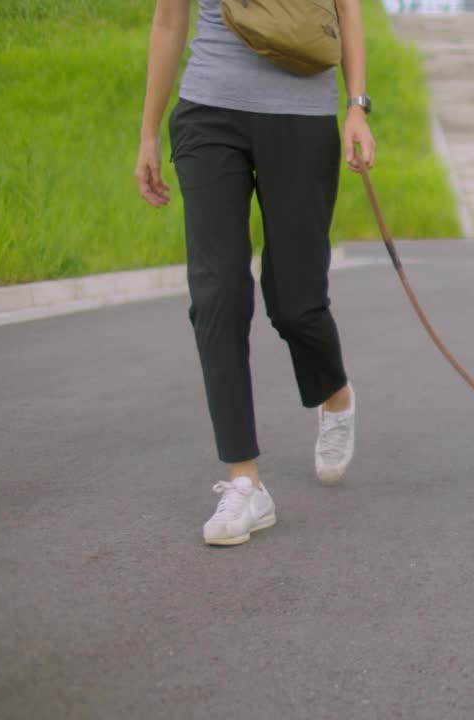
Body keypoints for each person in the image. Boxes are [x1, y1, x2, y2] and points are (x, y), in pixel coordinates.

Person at [135, 0, 376, 546]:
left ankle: (334, 393)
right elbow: (170, 18)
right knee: (216, 292)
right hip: (207, 111)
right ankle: (245, 481)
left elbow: (349, 10)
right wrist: (149, 131)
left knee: (296, 303)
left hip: (301, 116)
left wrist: (356, 107)